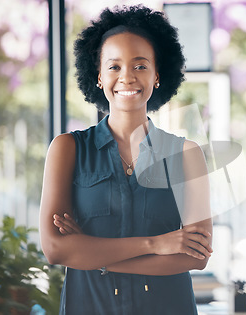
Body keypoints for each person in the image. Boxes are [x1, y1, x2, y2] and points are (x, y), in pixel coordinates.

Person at [39, 5, 212, 314]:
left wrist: (96, 258)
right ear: (99, 75)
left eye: (140, 65)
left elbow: (196, 256)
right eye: (114, 66)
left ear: (158, 75)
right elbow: (55, 248)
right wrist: (156, 245)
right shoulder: (67, 149)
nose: (127, 77)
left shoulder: (187, 155)